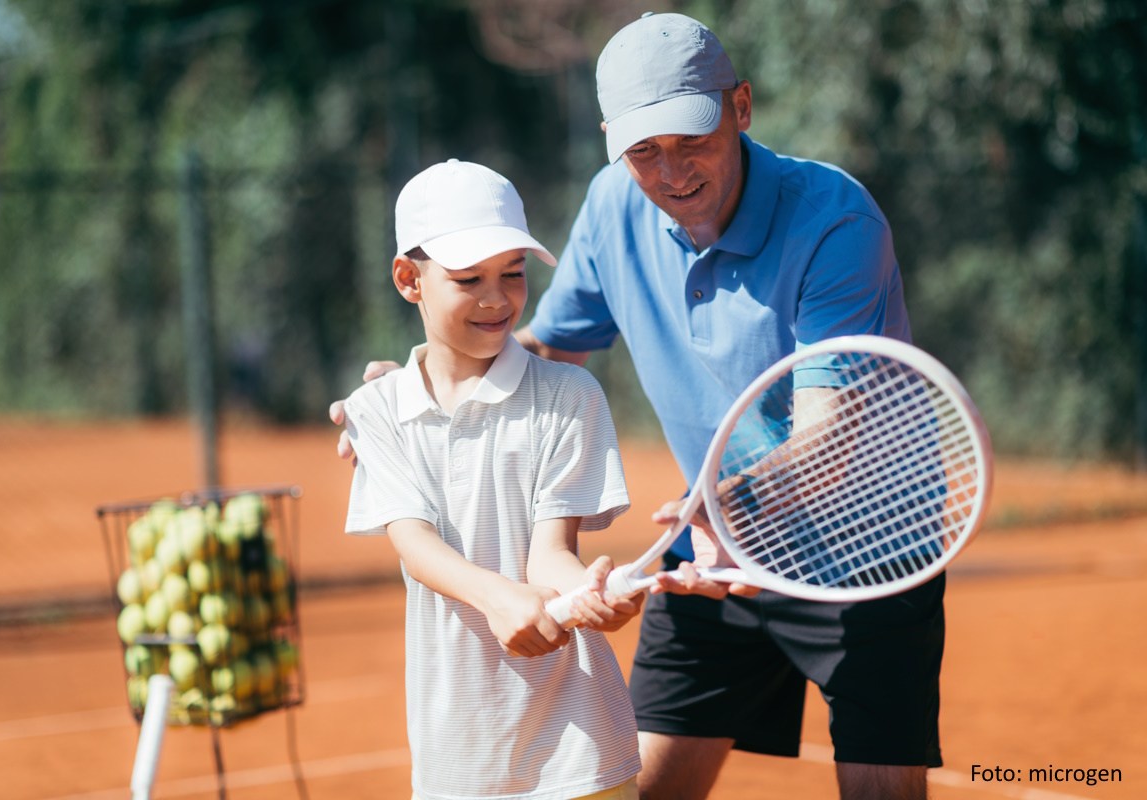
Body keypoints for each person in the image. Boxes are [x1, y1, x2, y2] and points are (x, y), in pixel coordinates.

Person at [333, 13, 942, 800]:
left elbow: (830, 436)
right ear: (612, 142)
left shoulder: (837, 223)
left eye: (693, 140)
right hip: (711, 556)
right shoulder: (614, 205)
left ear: (742, 108)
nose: (671, 171)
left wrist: (725, 508)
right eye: (644, 151)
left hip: (865, 557)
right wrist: (421, 386)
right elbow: (539, 357)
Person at [341, 158, 643, 800]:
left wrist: (589, 595)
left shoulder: (570, 395)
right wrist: (497, 599)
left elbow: (551, 555)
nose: (497, 298)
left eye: (513, 273)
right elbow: (416, 545)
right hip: (458, 758)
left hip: (582, 752)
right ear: (408, 279)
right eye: (468, 278)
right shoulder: (374, 409)